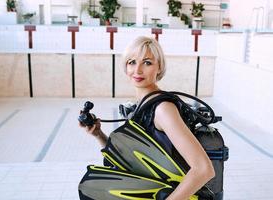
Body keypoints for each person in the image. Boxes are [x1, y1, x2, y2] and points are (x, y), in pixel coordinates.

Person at [79, 36, 215, 200]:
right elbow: (131, 163)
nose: (137, 70)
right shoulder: (142, 106)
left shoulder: (163, 109)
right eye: (132, 62)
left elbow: (203, 169)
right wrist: (98, 135)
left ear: (159, 67)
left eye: (147, 62)